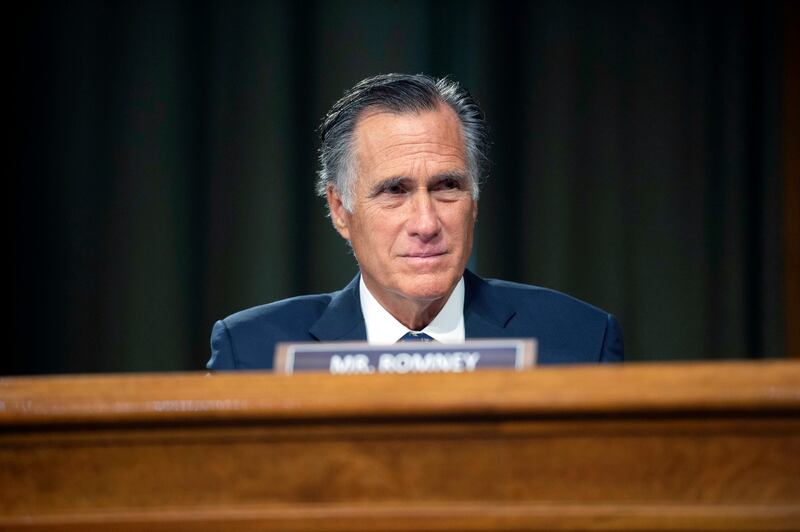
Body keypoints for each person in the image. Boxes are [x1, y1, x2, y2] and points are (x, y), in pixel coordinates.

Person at [207, 73, 623, 370]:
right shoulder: (252, 352)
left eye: (447, 186)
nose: (426, 223)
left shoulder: (581, 340)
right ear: (339, 209)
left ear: (474, 200)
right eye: (394, 191)